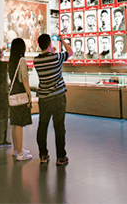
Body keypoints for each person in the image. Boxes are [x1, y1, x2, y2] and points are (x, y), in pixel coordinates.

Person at [34, 34, 72, 166]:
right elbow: (70, 52)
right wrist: (62, 40)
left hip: (44, 98)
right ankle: (61, 157)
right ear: (50, 44)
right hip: (58, 98)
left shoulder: (36, 61)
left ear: (39, 45)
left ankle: (43, 155)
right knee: (59, 127)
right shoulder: (56, 57)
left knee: (42, 126)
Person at [8, 38, 33, 161]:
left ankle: (16, 149)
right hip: (20, 94)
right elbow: (24, 78)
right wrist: (29, 94)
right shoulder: (22, 60)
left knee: (14, 123)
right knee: (19, 124)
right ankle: (20, 153)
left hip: (13, 94)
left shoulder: (11, 61)